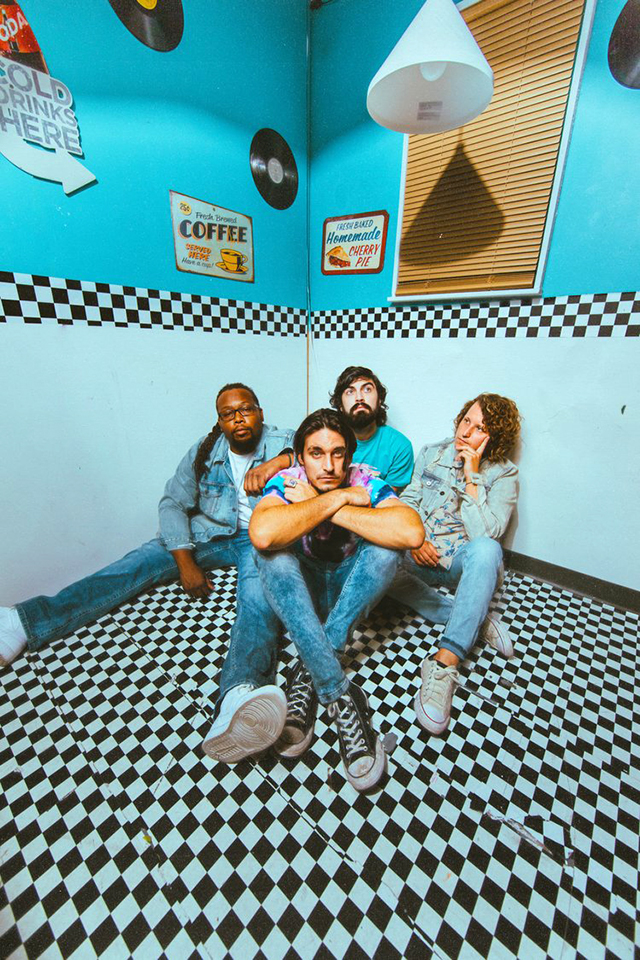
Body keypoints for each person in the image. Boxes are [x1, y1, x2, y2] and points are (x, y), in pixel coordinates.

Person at [0, 383, 294, 676]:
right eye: (228, 413)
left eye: (245, 409)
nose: (238, 418)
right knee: (133, 564)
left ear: (260, 412)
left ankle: (241, 689)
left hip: (261, 538)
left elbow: (322, 451)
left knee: (256, 602)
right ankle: (23, 621)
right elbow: (172, 503)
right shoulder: (204, 450)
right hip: (210, 533)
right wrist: (184, 560)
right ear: (220, 421)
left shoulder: (283, 441)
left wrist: (279, 462)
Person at [201, 408, 424, 792]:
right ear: (301, 457)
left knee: (389, 548)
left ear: (350, 457)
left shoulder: (366, 480)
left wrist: (336, 502)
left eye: (338, 453)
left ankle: (309, 664)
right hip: (298, 597)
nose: (329, 464)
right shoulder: (288, 480)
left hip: (348, 597)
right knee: (269, 554)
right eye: (317, 453)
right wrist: (337, 501)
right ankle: (339, 692)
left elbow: (412, 532)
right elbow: (264, 534)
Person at [388, 393, 522, 736]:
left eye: (480, 428)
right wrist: (415, 539)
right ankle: (471, 615)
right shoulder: (432, 452)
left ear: (495, 438)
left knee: (488, 551)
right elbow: (409, 501)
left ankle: (444, 662)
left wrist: (472, 476)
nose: (467, 431)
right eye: (467, 421)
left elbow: (487, 534)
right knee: (376, 551)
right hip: (421, 554)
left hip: (464, 564)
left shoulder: (505, 475)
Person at [329, 366, 414, 490]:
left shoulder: (399, 447)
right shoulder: (326, 439)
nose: (359, 397)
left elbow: (384, 500)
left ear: (379, 399)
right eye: (350, 392)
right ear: (340, 405)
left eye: (367, 389)